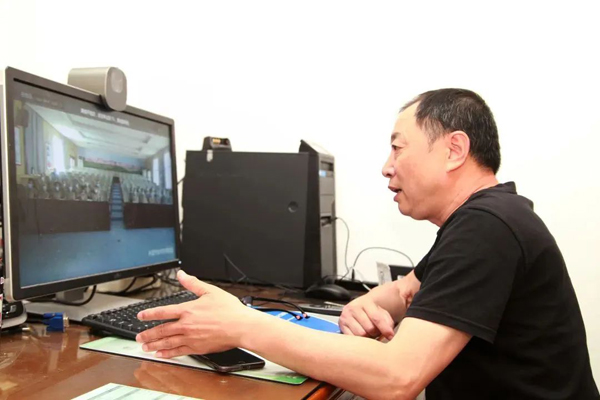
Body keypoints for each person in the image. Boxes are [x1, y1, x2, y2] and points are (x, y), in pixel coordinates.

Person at [135, 89, 599, 399]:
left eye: (398, 147)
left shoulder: (488, 227)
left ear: (454, 150)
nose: (386, 166)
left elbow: (397, 377)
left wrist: (242, 326)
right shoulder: (487, 217)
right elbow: (407, 289)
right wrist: (367, 304)